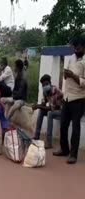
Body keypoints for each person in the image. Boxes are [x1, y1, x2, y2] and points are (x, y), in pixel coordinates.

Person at [53, 36, 85, 164]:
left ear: (84, 47)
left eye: (78, 47)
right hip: (67, 97)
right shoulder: (71, 58)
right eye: (75, 47)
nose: (76, 49)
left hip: (79, 98)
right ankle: (64, 149)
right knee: (63, 125)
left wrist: (74, 76)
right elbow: (66, 76)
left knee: (75, 127)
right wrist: (66, 74)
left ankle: (73, 154)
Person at [32, 74, 63, 149]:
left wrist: (39, 106)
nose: (44, 86)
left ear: (50, 83)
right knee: (41, 111)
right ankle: (36, 136)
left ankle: (49, 142)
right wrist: (37, 105)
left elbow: (51, 108)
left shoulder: (55, 90)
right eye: (43, 85)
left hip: (62, 111)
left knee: (50, 113)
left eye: (46, 84)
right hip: (54, 109)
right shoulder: (45, 92)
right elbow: (43, 104)